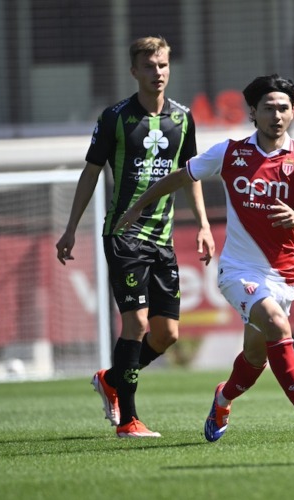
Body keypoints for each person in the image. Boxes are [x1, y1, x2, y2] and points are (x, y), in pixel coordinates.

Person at [114, 74, 294, 442]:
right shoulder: (230, 153)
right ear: (253, 112)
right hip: (238, 271)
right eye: (268, 108)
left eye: (283, 108)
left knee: (256, 357)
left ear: (293, 112)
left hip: (283, 275)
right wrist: (139, 205)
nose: (276, 115)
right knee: (278, 326)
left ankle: (223, 398)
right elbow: (182, 176)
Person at [55, 36, 215, 438]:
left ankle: (111, 379)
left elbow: (191, 174)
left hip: (162, 238)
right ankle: (128, 419)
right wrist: (71, 228)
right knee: (137, 323)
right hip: (124, 235)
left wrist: (203, 224)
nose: (157, 73)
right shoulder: (115, 117)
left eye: (162, 65)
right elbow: (91, 172)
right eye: (148, 66)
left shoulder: (183, 119)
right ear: (134, 71)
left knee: (167, 334)